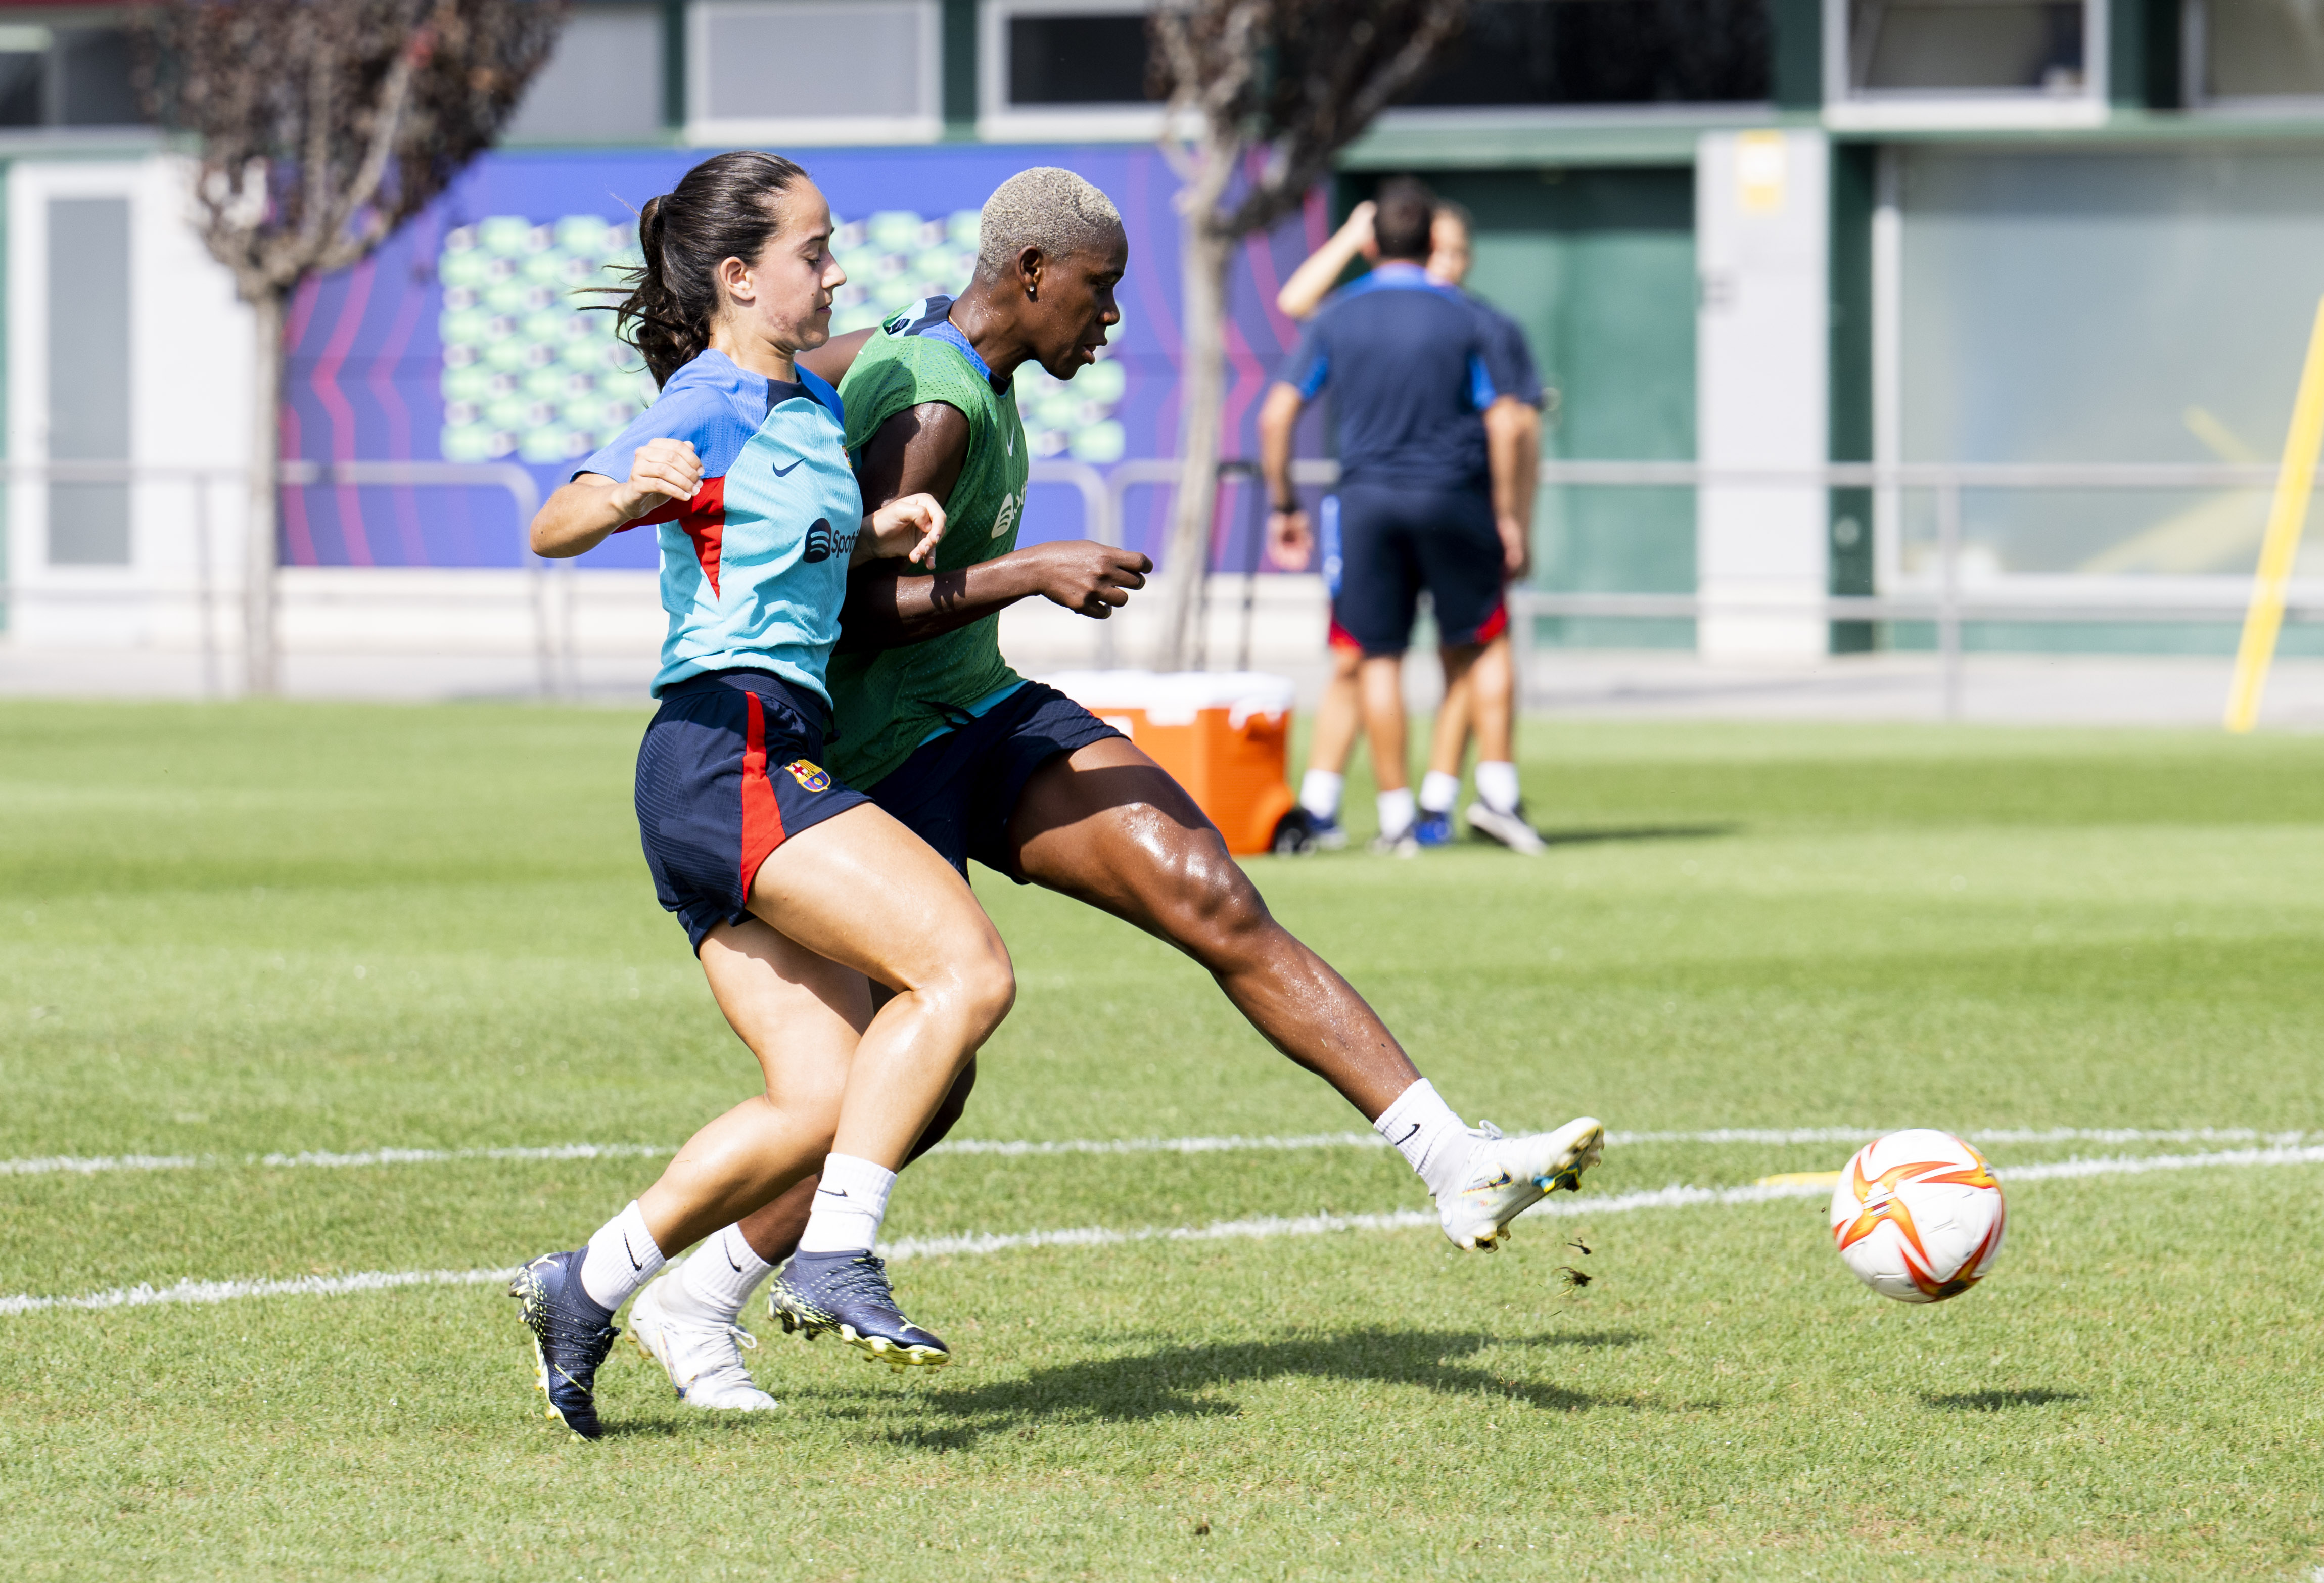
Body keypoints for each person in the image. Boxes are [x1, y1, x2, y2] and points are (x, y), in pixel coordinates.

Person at [626, 166, 1605, 1412]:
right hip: (873, 756)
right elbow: (848, 610)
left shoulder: (951, 350)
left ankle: (1453, 1159)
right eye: (1099, 290)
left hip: (978, 708)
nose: (1109, 318)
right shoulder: (933, 409)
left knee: (1208, 892)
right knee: (914, 1085)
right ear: (1031, 274)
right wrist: (1028, 570)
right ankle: (690, 1293)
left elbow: (866, 351)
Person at [507, 151, 1003, 1440]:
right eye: (815, 252)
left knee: (820, 1096)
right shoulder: (715, 395)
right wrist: (625, 493)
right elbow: (554, 522)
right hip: (725, 750)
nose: (836, 272)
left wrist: (879, 532)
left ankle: (591, 1282)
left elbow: (791, 561)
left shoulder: (799, 409)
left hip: (741, 758)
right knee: (963, 972)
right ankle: (836, 1253)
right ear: (739, 278)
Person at [1257, 178, 1523, 858]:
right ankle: (1492, 792)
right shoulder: (1469, 319)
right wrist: (1509, 514)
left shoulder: (1342, 315)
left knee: (1376, 657)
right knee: (1482, 641)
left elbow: (1276, 415)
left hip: (1367, 499)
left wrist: (1286, 506)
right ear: (1435, 243)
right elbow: (1510, 422)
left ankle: (1400, 814)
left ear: (1372, 242)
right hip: (1453, 495)